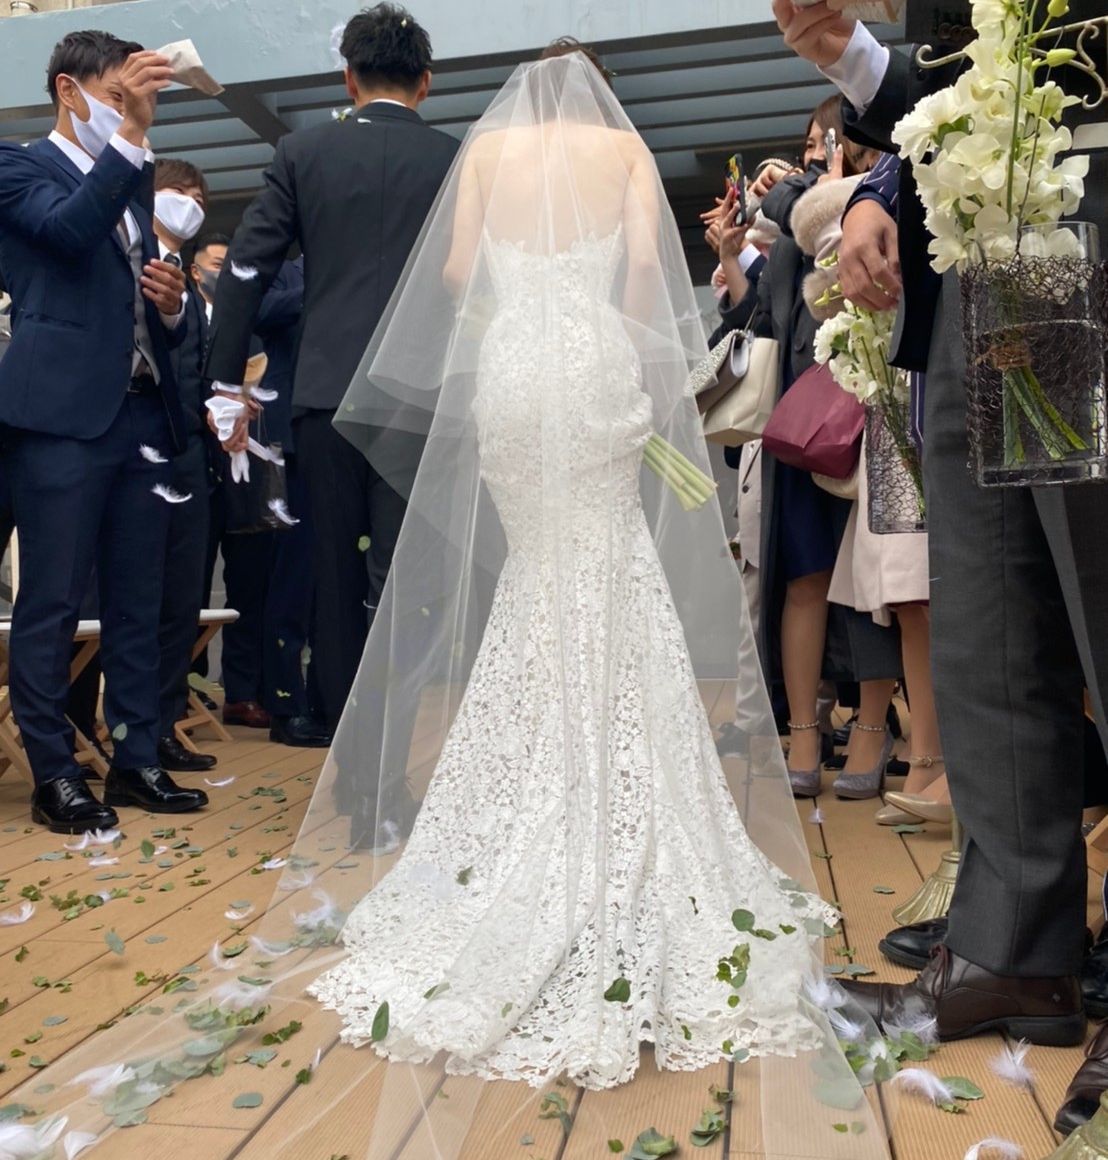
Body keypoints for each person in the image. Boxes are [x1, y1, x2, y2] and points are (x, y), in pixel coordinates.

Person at [773, 0, 1108, 1133]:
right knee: (991, 619)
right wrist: (875, 152)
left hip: (1086, 215)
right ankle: (1014, 950)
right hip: (985, 253)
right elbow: (964, 77)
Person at [203, 3, 460, 759]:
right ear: (426, 82)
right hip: (419, 396)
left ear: (348, 77)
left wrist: (225, 383)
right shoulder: (456, 159)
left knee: (332, 579)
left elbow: (245, 269)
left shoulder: (302, 152)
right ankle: (396, 752)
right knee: (406, 581)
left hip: (325, 396)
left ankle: (353, 765)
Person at [0, 30, 208, 833]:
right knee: (53, 599)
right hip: (59, 418)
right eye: (116, 96)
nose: (129, 112)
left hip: (142, 413)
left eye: (136, 101)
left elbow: (148, 301)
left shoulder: (131, 174)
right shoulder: (20, 166)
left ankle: (136, 756)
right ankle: (54, 772)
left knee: (138, 598)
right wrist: (131, 134)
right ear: (68, 89)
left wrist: (173, 306)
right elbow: (65, 233)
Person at [715, 100, 903, 802]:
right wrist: (735, 258)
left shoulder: (874, 198)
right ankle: (800, 730)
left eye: (825, 142)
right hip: (800, 418)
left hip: (870, 405)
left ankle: (872, 729)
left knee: (869, 582)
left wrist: (799, 189)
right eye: (808, 146)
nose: (812, 156)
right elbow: (762, 312)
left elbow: (831, 243)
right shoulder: (799, 216)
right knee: (802, 575)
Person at [150, 158, 221, 773]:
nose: (189, 203)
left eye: (198, 196)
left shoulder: (195, 293)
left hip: (191, 454)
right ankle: (92, 727)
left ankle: (163, 723)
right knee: (127, 595)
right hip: (137, 448)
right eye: (177, 191)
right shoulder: (130, 259)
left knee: (181, 596)